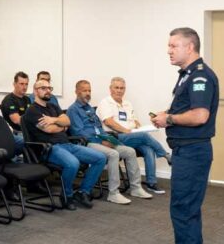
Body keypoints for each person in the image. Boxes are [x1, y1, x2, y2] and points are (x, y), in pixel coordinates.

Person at [152, 27, 219, 244]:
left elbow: (200, 116)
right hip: (185, 151)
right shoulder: (187, 75)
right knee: (182, 208)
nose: (168, 50)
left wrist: (168, 119)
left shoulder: (200, 76)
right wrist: (167, 113)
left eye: (173, 46)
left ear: (189, 47)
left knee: (185, 210)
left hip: (193, 152)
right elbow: (185, 108)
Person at [22, 79, 106, 210]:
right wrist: (62, 126)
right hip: (49, 148)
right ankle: (66, 196)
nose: (47, 90)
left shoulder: (53, 106)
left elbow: (67, 121)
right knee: (73, 163)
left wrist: (54, 120)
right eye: (43, 88)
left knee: (100, 158)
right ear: (35, 91)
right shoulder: (32, 111)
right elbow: (49, 129)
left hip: (67, 144)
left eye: (49, 88)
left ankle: (83, 192)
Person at [67, 80, 152, 205]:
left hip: (100, 140)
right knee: (113, 154)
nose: (88, 93)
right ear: (76, 92)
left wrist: (106, 138)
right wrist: (100, 141)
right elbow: (79, 133)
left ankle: (136, 188)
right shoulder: (73, 110)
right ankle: (113, 193)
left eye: (89, 90)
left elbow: (99, 128)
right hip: (87, 143)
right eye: (84, 90)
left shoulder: (89, 108)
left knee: (130, 151)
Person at [97, 77, 171, 194]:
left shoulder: (127, 103)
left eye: (122, 88)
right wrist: (126, 131)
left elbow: (135, 121)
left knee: (148, 149)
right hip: (115, 137)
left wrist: (138, 128)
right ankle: (165, 155)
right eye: (116, 88)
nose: (119, 90)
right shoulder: (105, 102)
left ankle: (151, 183)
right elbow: (109, 122)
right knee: (144, 136)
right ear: (110, 89)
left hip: (131, 136)